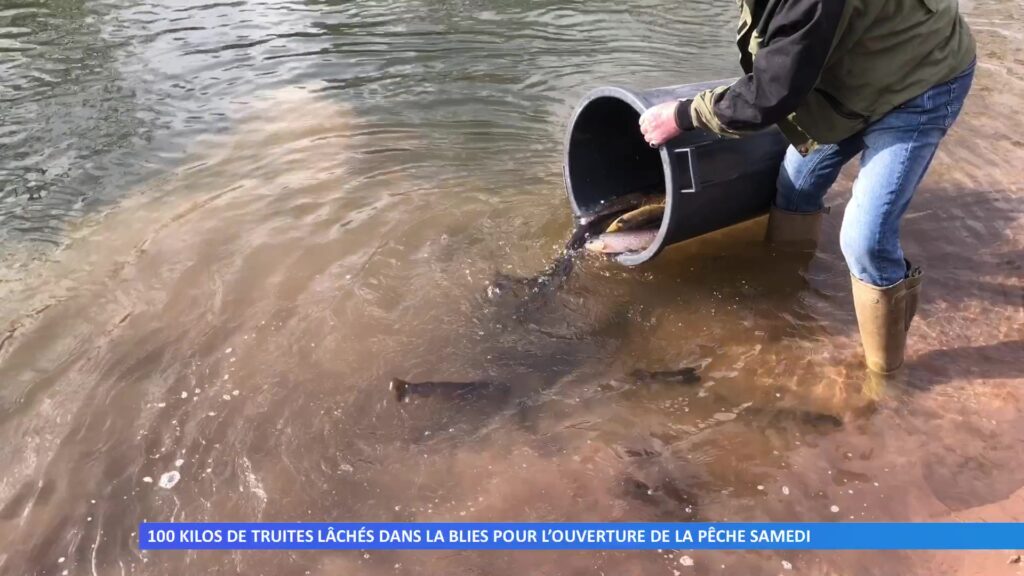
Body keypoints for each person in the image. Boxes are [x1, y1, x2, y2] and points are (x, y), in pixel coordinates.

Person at [638, 0, 975, 374]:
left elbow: (768, 96)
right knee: (795, 188)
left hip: (922, 83)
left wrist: (683, 115)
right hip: (852, 81)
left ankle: (886, 376)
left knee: (865, 239)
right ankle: (785, 294)